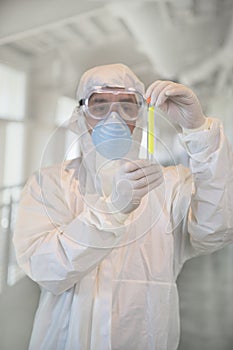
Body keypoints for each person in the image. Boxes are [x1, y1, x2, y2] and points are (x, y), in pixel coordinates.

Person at [13, 63, 233, 350]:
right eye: (100, 105)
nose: (113, 118)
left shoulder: (168, 186)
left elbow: (215, 231)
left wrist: (199, 130)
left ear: (141, 116)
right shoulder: (50, 183)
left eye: (127, 106)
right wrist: (113, 209)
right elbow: (45, 269)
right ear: (81, 116)